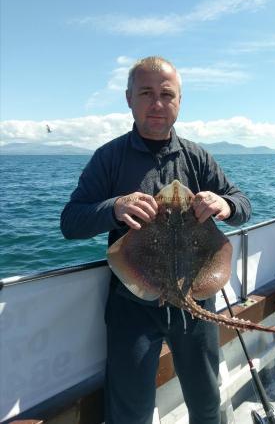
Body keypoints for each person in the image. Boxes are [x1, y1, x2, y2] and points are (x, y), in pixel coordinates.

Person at [61, 56, 251, 424]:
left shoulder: (198, 157)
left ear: (180, 101)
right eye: (146, 93)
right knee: (130, 410)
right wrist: (114, 207)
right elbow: (71, 222)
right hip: (133, 301)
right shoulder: (109, 158)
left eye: (167, 94)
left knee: (206, 399)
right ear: (129, 98)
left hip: (196, 295)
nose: (157, 103)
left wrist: (224, 203)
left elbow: (243, 203)